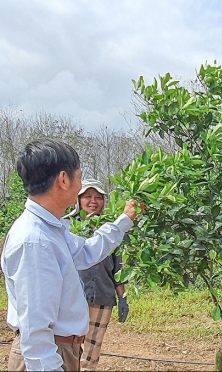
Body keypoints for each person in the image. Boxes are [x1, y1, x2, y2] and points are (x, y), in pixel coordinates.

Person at [1, 139, 144, 371]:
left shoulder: (52, 229)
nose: (81, 186)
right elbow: (36, 330)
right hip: (48, 356)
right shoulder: (35, 241)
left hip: (61, 350)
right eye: (79, 177)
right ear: (64, 179)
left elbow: (87, 251)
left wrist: (124, 220)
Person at [65, 179, 130, 371]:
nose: (93, 201)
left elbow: (118, 268)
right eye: (87, 197)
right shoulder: (65, 226)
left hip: (103, 294)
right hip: (72, 296)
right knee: (69, 344)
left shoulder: (112, 229)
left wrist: (123, 297)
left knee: (93, 347)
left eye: (98, 197)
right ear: (78, 200)